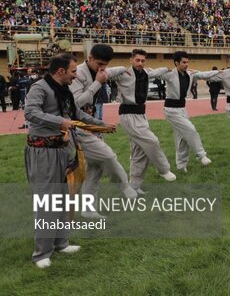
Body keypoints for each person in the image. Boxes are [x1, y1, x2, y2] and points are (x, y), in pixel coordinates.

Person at [25, 53, 115, 268]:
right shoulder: (39, 88)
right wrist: (60, 122)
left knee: (65, 198)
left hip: (63, 150)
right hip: (43, 152)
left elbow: (78, 115)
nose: (76, 75)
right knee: (47, 201)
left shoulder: (64, 90)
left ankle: (61, 243)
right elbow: (30, 112)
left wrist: (101, 124)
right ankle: (41, 253)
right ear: (61, 71)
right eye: (73, 71)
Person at [69, 44, 136, 217]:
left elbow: (111, 71)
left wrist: (123, 69)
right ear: (89, 58)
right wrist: (97, 84)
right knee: (107, 156)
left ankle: (88, 210)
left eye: (105, 64)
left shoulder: (102, 69)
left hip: (92, 125)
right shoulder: (78, 74)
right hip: (78, 126)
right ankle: (124, 186)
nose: (102, 68)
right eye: (99, 64)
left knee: (95, 169)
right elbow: (77, 103)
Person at [112, 49, 175, 191]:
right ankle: (164, 169)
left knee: (139, 152)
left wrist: (166, 68)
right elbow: (107, 73)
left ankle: (134, 186)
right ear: (131, 60)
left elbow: (157, 72)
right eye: (137, 60)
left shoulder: (145, 73)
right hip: (128, 114)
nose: (140, 63)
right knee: (152, 142)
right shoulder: (123, 74)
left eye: (143, 61)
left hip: (142, 115)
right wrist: (121, 68)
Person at [163, 51, 220, 172]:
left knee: (182, 138)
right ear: (176, 63)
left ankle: (181, 166)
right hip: (171, 110)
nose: (186, 64)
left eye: (187, 62)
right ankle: (201, 155)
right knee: (190, 129)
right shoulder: (169, 74)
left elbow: (205, 75)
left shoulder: (190, 74)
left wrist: (219, 72)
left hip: (182, 109)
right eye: (184, 62)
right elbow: (153, 75)